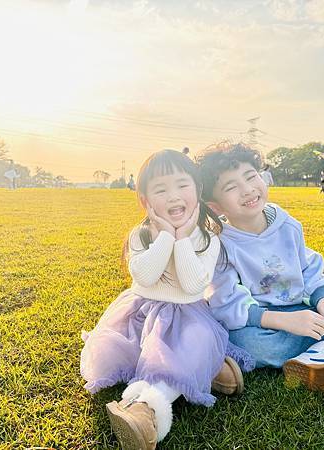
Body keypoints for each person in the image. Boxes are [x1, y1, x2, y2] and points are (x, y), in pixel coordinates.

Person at [80, 149, 252, 450]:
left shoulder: (207, 238)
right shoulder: (141, 235)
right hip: (138, 315)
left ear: (197, 190)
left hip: (187, 317)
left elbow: (192, 283)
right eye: (161, 189)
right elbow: (145, 276)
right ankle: (208, 371)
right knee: (140, 354)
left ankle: (144, 411)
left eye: (182, 185)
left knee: (191, 346)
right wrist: (165, 236)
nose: (173, 196)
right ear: (146, 201)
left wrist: (183, 238)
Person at [197, 143, 324, 402]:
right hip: (264, 322)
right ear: (216, 206)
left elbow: (307, 265)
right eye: (231, 187)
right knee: (243, 342)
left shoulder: (287, 224)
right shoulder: (220, 244)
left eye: (251, 176)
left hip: (303, 310)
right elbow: (227, 304)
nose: (247, 190)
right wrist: (284, 321)